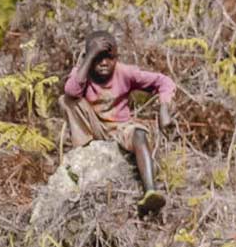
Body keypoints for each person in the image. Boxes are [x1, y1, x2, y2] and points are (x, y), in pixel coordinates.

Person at [61, 33, 177, 215]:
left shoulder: (124, 72)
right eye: (98, 58)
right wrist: (89, 57)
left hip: (121, 128)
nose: (104, 62)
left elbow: (164, 81)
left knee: (139, 133)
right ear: (87, 58)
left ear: (116, 57)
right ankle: (84, 147)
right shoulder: (81, 73)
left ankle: (150, 192)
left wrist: (164, 108)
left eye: (109, 57)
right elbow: (71, 90)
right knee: (67, 99)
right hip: (95, 127)